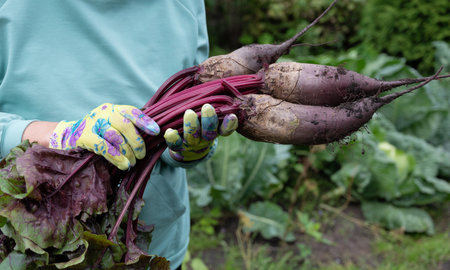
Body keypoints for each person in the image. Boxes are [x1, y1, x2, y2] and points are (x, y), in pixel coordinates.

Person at [0, 1, 233, 269]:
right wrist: (59, 135)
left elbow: (192, 98)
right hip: (27, 241)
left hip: (151, 245)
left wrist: (188, 147)